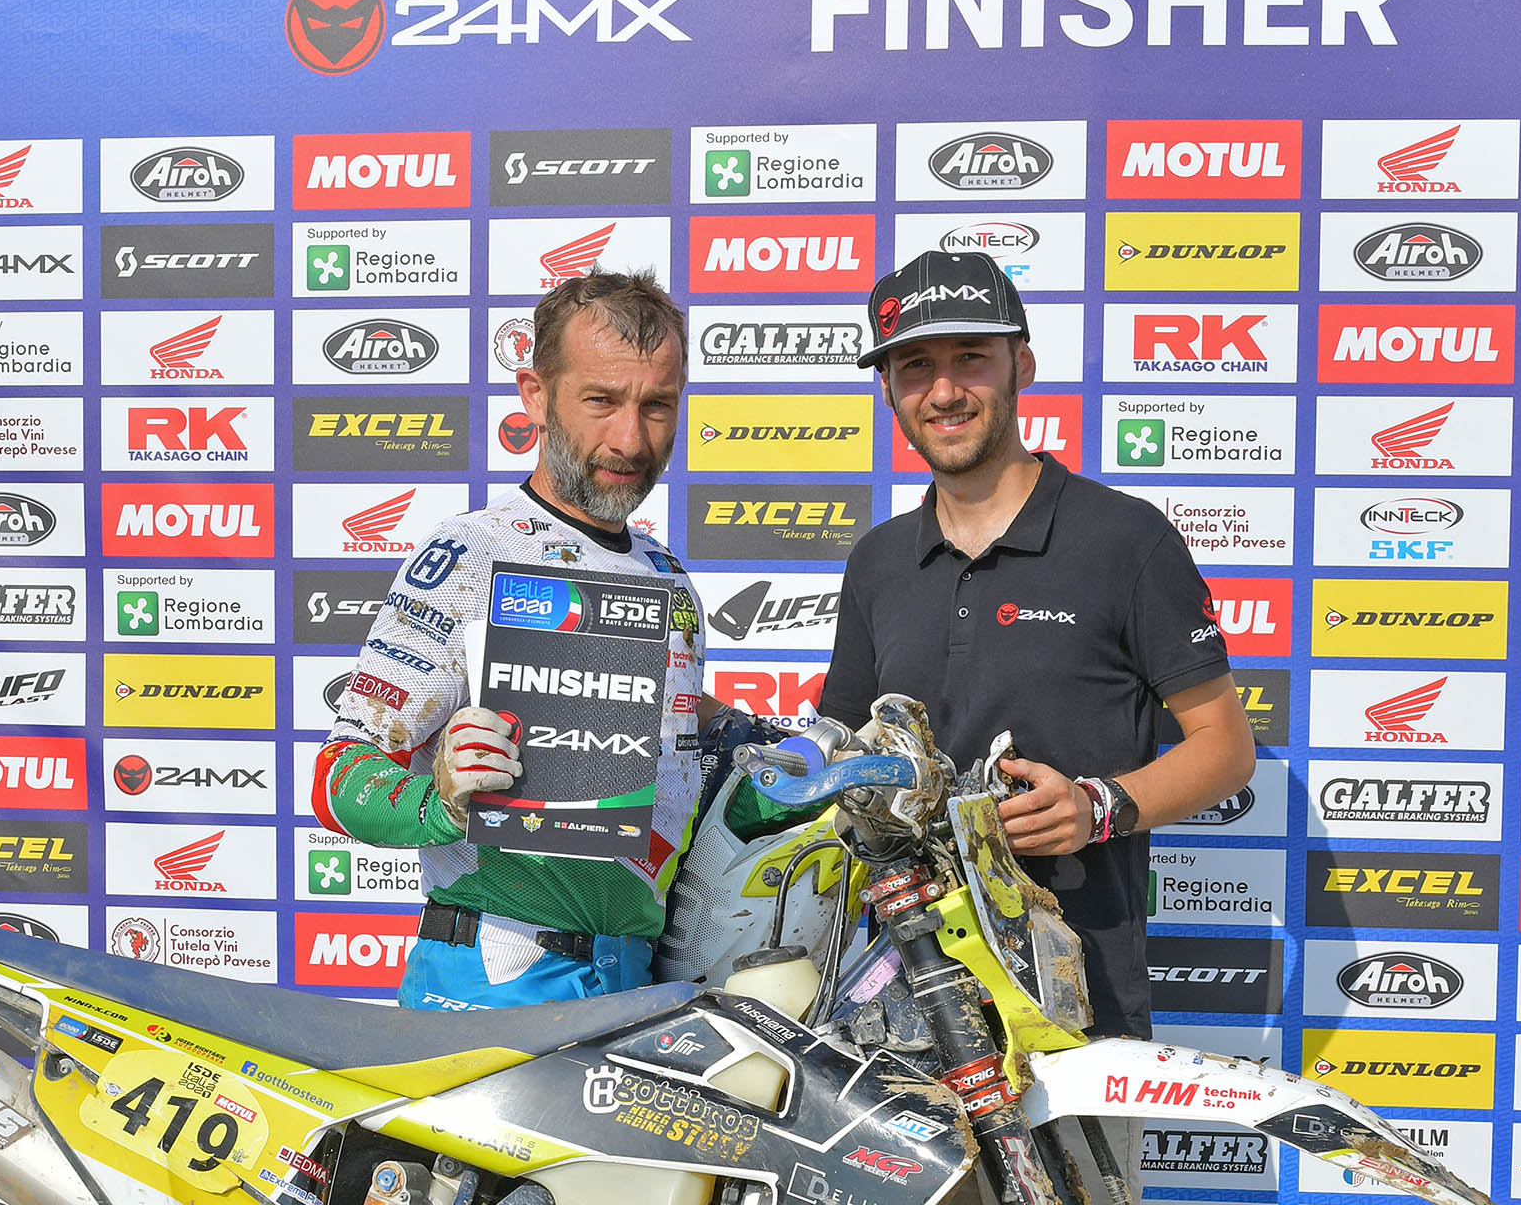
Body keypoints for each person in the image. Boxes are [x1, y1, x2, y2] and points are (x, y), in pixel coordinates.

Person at [819, 250, 1258, 1202]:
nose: (944, 391)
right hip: (897, 1019)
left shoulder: (1125, 539)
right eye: (915, 367)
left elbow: (1227, 749)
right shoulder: (879, 562)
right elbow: (841, 760)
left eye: (970, 359)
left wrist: (1100, 807)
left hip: (1075, 1014)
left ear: (1022, 363)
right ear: (888, 388)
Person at [314, 268, 799, 1012]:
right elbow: (339, 776)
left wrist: (781, 753)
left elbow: (676, 759)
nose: (630, 440)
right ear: (535, 395)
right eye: (601, 401)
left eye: (657, 406)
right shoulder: (473, 555)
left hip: (640, 982)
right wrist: (442, 801)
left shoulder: (669, 579)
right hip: (495, 977)